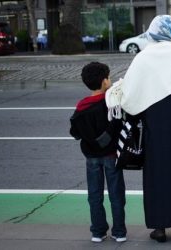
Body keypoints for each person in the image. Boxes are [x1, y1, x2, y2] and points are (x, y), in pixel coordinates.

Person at [105, 15, 171, 242]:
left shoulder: (143, 58)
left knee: (158, 179)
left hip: (155, 132)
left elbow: (130, 99)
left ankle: (160, 228)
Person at [69, 62, 126, 243]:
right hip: (111, 156)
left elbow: (75, 132)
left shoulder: (81, 107)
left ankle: (98, 231)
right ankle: (119, 232)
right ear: (104, 82)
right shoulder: (111, 104)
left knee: (94, 195)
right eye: (108, 77)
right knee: (116, 194)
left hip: (91, 157)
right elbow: (120, 125)